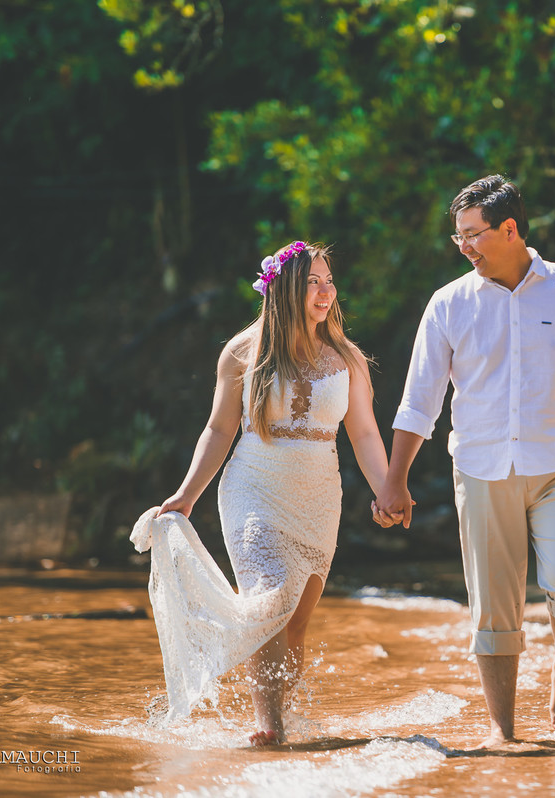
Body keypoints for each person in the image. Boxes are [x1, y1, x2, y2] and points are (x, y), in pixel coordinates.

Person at [374, 175, 555, 749]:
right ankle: (504, 735)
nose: (464, 247)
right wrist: (394, 481)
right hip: (479, 469)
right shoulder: (448, 304)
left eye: (472, 235)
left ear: (509, 229)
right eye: (457, 239)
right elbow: (419, 401)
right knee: (492, 611)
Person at [131, 241, 397, 746]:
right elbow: (218, 429)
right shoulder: (242, 352)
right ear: (286, 289)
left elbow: (364, 434)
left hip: (319, 497)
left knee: (295, 621)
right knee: (270, 601)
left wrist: (386, 490)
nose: (325, 292)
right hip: (253, 490)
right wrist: (187, 495)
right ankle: (269, 726)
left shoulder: (347, 357)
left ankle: (280, 714)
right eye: (313, 282)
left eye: (328, 281)